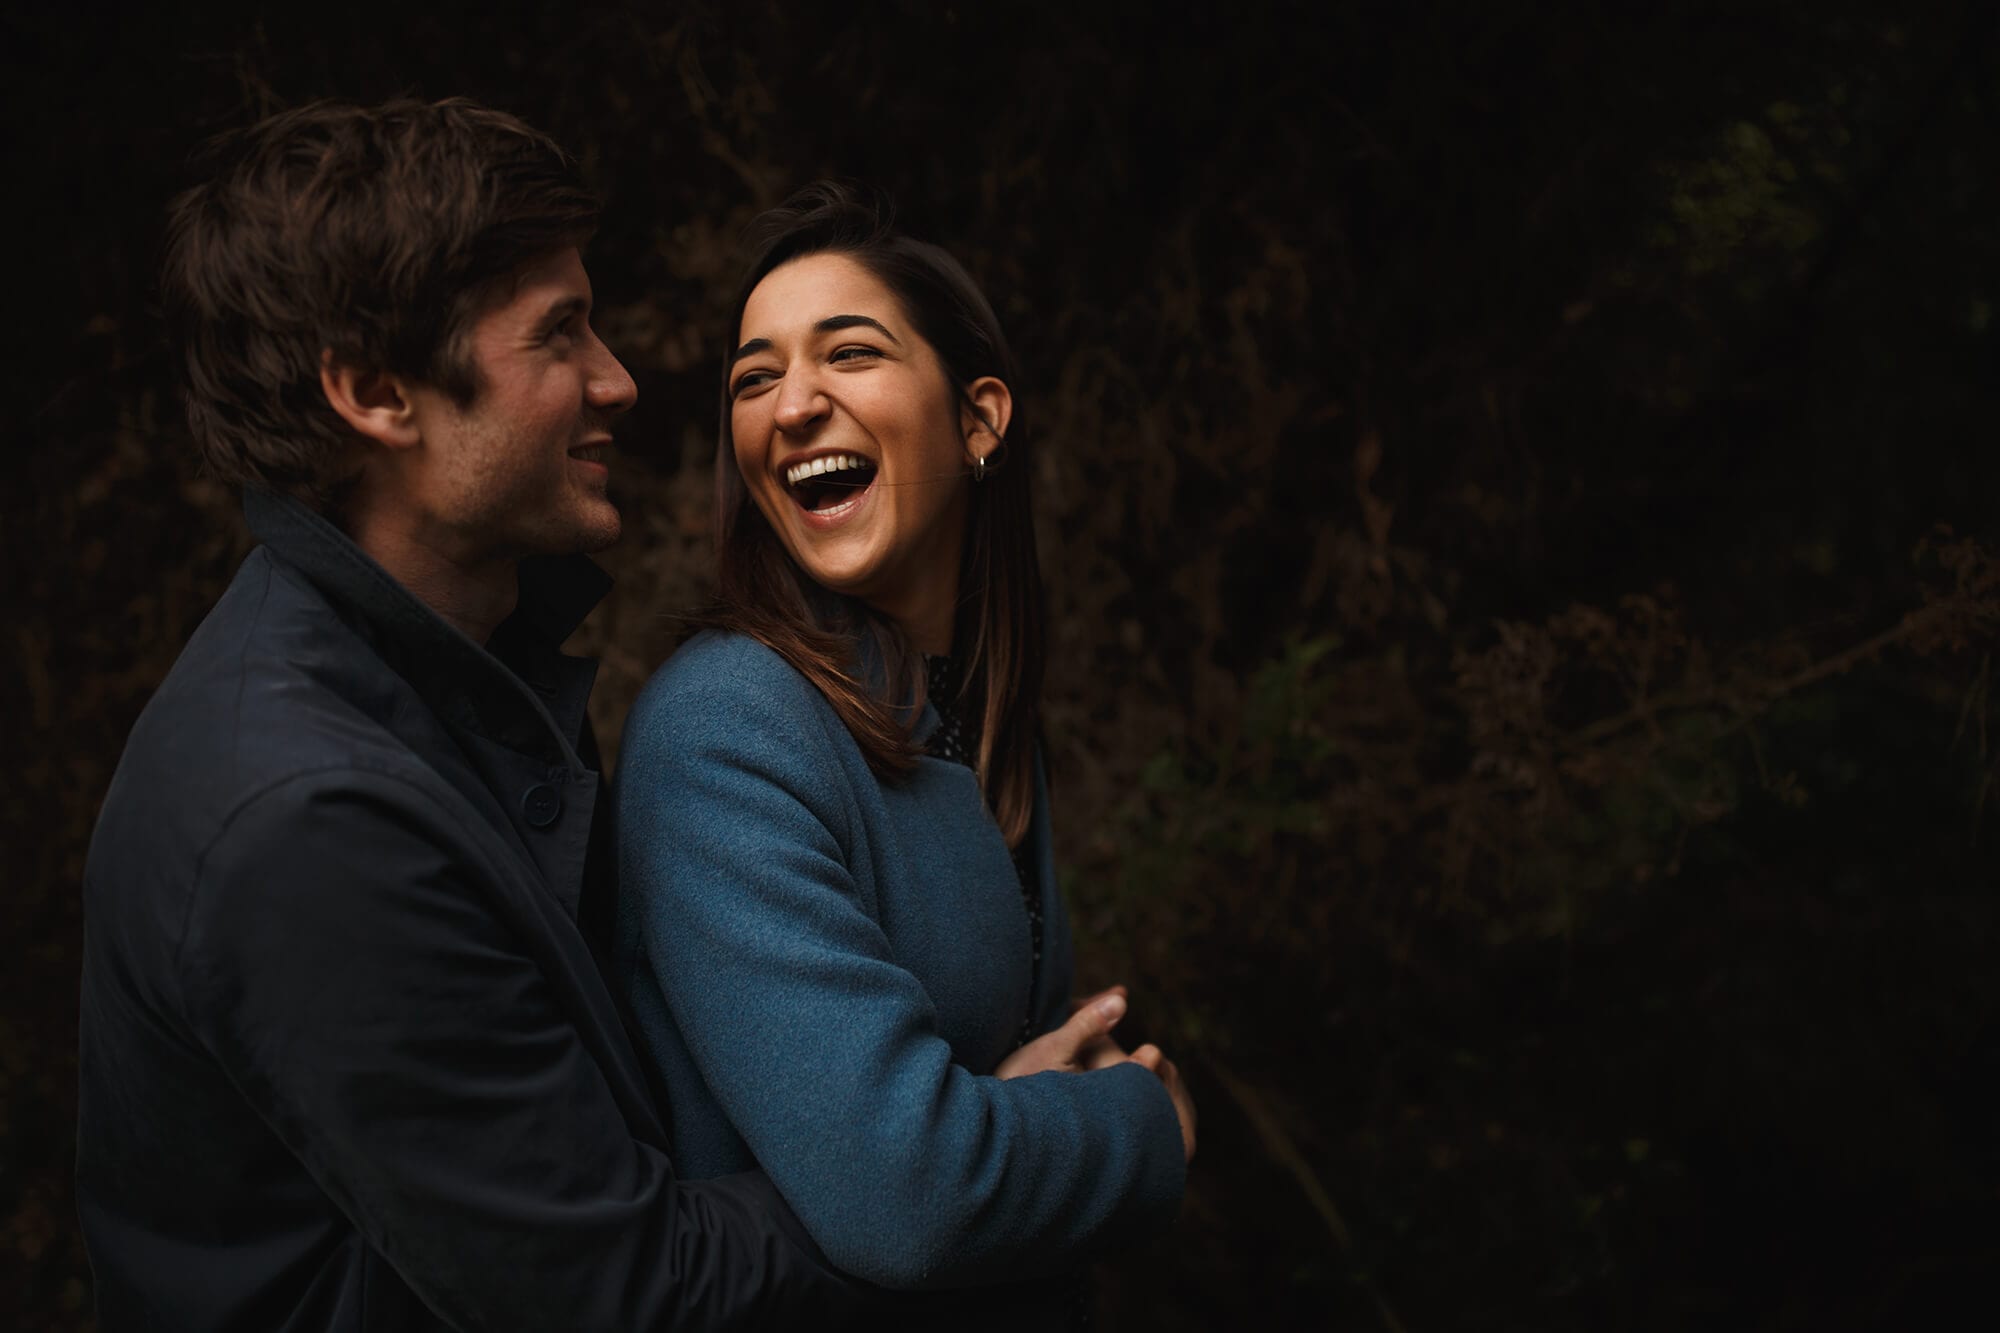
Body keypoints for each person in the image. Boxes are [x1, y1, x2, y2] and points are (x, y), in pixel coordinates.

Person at [76, 99, 862, 1331]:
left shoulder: (463, 666)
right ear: (377, 393)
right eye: (559, 336)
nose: (619, 378)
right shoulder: (307, 819)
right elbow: (621, 1291)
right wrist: (972, 1160)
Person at [613, 182, 1198, 1326]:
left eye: (849, 353)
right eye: (753, 376)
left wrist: (986, 1116)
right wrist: (1145, 1124)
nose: (791, 404)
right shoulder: (724, 727)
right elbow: (906, 1191)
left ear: (978, 418)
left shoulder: (977, 719)